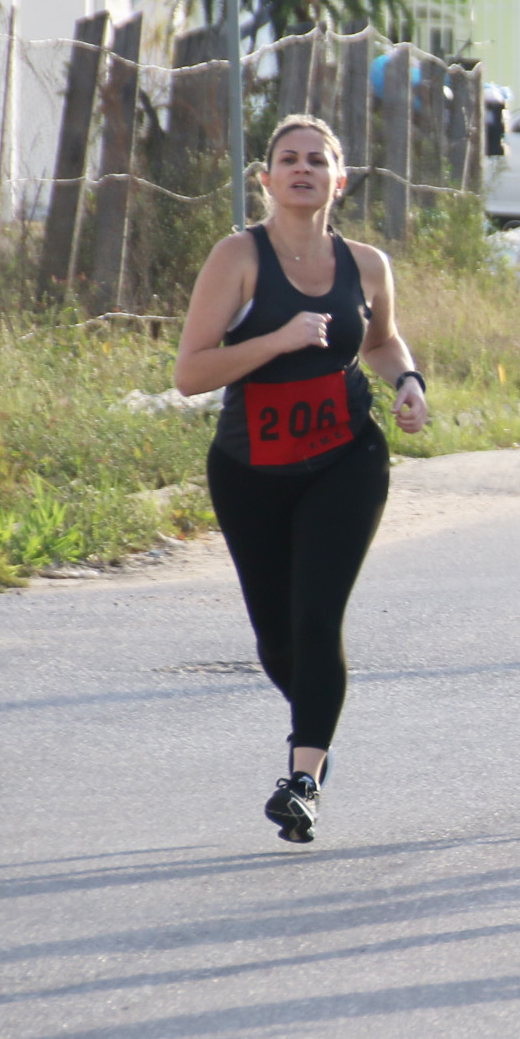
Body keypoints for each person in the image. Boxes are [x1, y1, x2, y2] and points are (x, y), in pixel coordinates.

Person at [173, 115, 431, 844]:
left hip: (346, 461)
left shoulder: (368, 264)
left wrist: (407, 381)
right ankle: (317, 718)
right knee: (279, 643)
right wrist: (277, 340)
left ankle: (303, 779)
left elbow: (379, 342)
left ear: (339, 181)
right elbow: (190, 373)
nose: (302, 169)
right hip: (250, 471)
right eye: (288, 159)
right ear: (266, 178)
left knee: (318, 619)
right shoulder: (239, 259)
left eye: (317, 160)